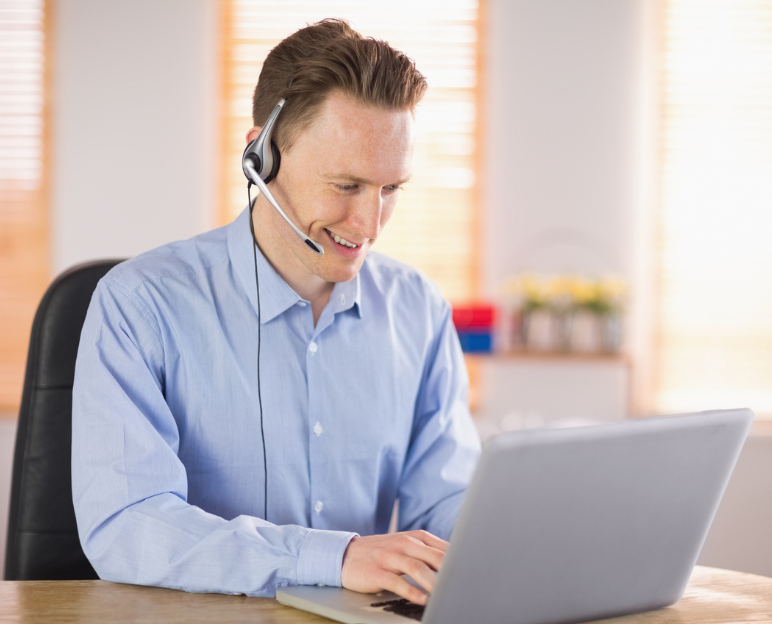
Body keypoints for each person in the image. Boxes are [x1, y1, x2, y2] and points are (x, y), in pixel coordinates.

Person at [72, 18, 480, 605]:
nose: (369, 225)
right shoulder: (140, 305)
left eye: (391, 190)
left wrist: (508, 540)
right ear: (260, 156)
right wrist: (332, 559)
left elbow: (443, 499)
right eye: (346, 185)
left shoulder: (418, 309)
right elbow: (128, 524)